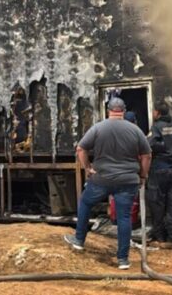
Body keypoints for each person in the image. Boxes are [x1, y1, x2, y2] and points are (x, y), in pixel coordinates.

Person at [63, 97, 152, 270]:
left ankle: (79, 240)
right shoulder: (135, 130)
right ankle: (123, 260)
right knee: (124, 217)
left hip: (102, 179)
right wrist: (142, 176)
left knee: (86, 202)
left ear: (108, 110)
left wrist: (87, 168)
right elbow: (147, 155)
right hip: (127, 180)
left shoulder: (98, 128)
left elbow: (81, 149)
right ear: (123, 111)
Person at [147, 102, 172, 250]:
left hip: (159, 170)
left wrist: (162, 148)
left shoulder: (157, 127)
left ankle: (160, 237)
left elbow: (149, 145)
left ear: (157, 113)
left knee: (157, 203)